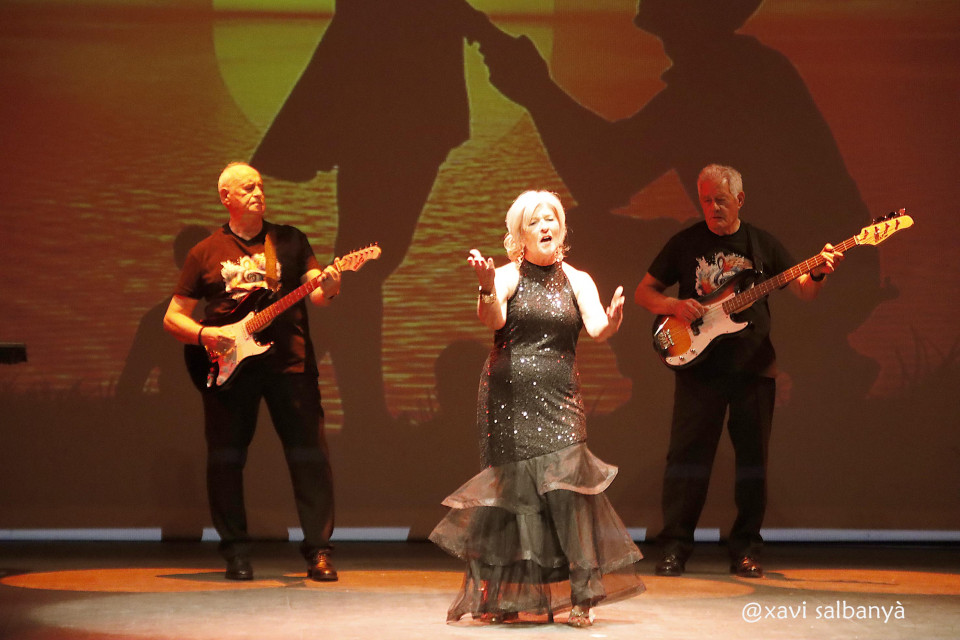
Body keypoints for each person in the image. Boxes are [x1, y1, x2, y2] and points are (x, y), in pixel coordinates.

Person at [429, 191, 645, 627]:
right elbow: (492, 319)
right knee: (514, 497)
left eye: (551, 219)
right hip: (508, 401)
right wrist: (486, 286)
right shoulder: (507, 276)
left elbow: (598, 327)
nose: (545, 226)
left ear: (561, 229)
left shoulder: (578, 279)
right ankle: (508, 599)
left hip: (560, 401)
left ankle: (582, 597)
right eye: (535, 222)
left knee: (569, 494)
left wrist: (615, 320)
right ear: (520, 235)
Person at [634, 165, 844, 578]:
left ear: (740, 200)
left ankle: (746, 548)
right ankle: (675, 547)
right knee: (687, 461)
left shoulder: (762, 245)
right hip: (699, 370)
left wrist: (819, 271)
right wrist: (675, 306)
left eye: (721, 200)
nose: (713, 208)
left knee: (753, 463)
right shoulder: (685, 242)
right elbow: (644, 292)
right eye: (706, 200)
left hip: (754, 369)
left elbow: (804, 290)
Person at [163, 162, 341, 582]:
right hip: (229, 368)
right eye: (247, 188)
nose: (258, 192)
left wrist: (332, 283)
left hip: (290, 365)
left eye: (260, 185)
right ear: (226, 197)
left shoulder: (290, 241)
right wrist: (206, 335)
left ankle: (319, 551)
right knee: (226, 460)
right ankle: (236, 553)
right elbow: (173, 318)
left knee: (310, 457)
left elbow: (318, 294)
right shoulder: (205, 252)